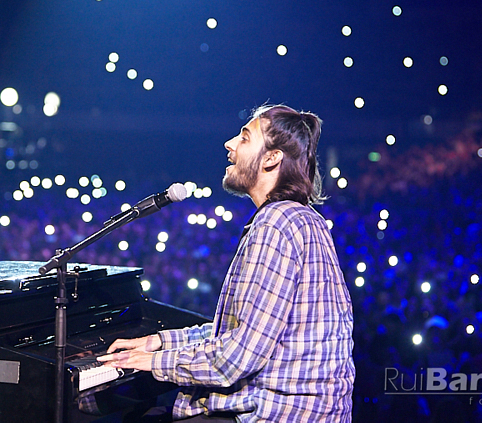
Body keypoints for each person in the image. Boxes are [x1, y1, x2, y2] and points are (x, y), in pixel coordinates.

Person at [99, 104, 354, 421]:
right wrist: (159, 341)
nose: (229, 144)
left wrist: (153, 362)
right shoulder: (302, 218)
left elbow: (238, 357)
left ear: (272, 158)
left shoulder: (276, 224)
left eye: (244, 138)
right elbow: (240, 331)